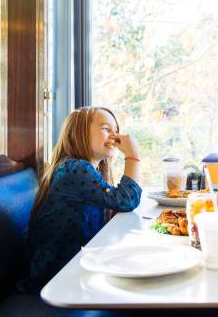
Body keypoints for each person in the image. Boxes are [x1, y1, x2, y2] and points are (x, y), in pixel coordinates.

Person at [17, 106, 142, 293]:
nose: (115, 137)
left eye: (116, 131)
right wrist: (133, 156)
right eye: (107, 129)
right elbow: (126, 200)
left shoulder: (82, 169)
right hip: (57, 273)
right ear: (79, 133)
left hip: (73, 264)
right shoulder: (75, 170)